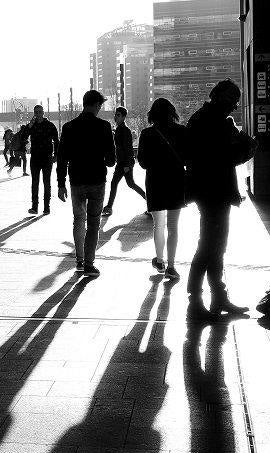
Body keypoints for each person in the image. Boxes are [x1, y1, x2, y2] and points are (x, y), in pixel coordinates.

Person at [184, 78, 257, 319]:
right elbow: (226, 157)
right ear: (223, 100)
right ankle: (197, 303)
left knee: (214, 247)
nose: (233, 107)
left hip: (209, 191)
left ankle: (216, 297)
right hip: (214, 190)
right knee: (209, 247)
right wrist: (247, 145)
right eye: (233, 102)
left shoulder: (204, 118)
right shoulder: (215, 122)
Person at [56, 90, 115, 278]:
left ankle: (79, 260)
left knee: (79, 219)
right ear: (96, 104)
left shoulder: (69, 127)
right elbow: (111, 160)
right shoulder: (104, 127)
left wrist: (60, 183)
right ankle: (89, 263)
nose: (100, 108)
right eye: (100, 105)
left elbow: (61, 158)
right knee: (94, 221)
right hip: (97, 180)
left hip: (76, 181)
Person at [136, 98, 187, 280]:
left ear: (153, 114)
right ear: (172, 112)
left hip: (156, 182)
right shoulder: (182, 131)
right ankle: (171, 267)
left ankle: (159, 260)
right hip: (176, 181)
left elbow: (142, 162)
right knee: (173, 226)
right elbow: (188, 157)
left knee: (159, 225)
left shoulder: (146, 134)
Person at [102, 106, 147, 217]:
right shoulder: (119, 129)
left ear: (123, 117)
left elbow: (128, 148)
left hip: (124, 163)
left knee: (115, 183)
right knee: (131, 184)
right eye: (115, 114)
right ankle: (150, 201)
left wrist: (127, 165)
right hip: (122, 163)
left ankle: (109, 207)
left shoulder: (124, 130)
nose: (115, 117)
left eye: (118, 115)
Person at [22, 105, 59, 215]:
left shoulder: (50, 125)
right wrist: (29, 125)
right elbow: (23, 137)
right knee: (34, 183)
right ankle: (34, 207)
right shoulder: (32, 126)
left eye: (39, 112)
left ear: (43, 113)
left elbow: (57, 141)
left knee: (46, 183)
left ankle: (46, 207)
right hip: (35, 158)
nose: (38, 114)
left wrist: (55, 155)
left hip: (47, 158)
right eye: (36, 112)